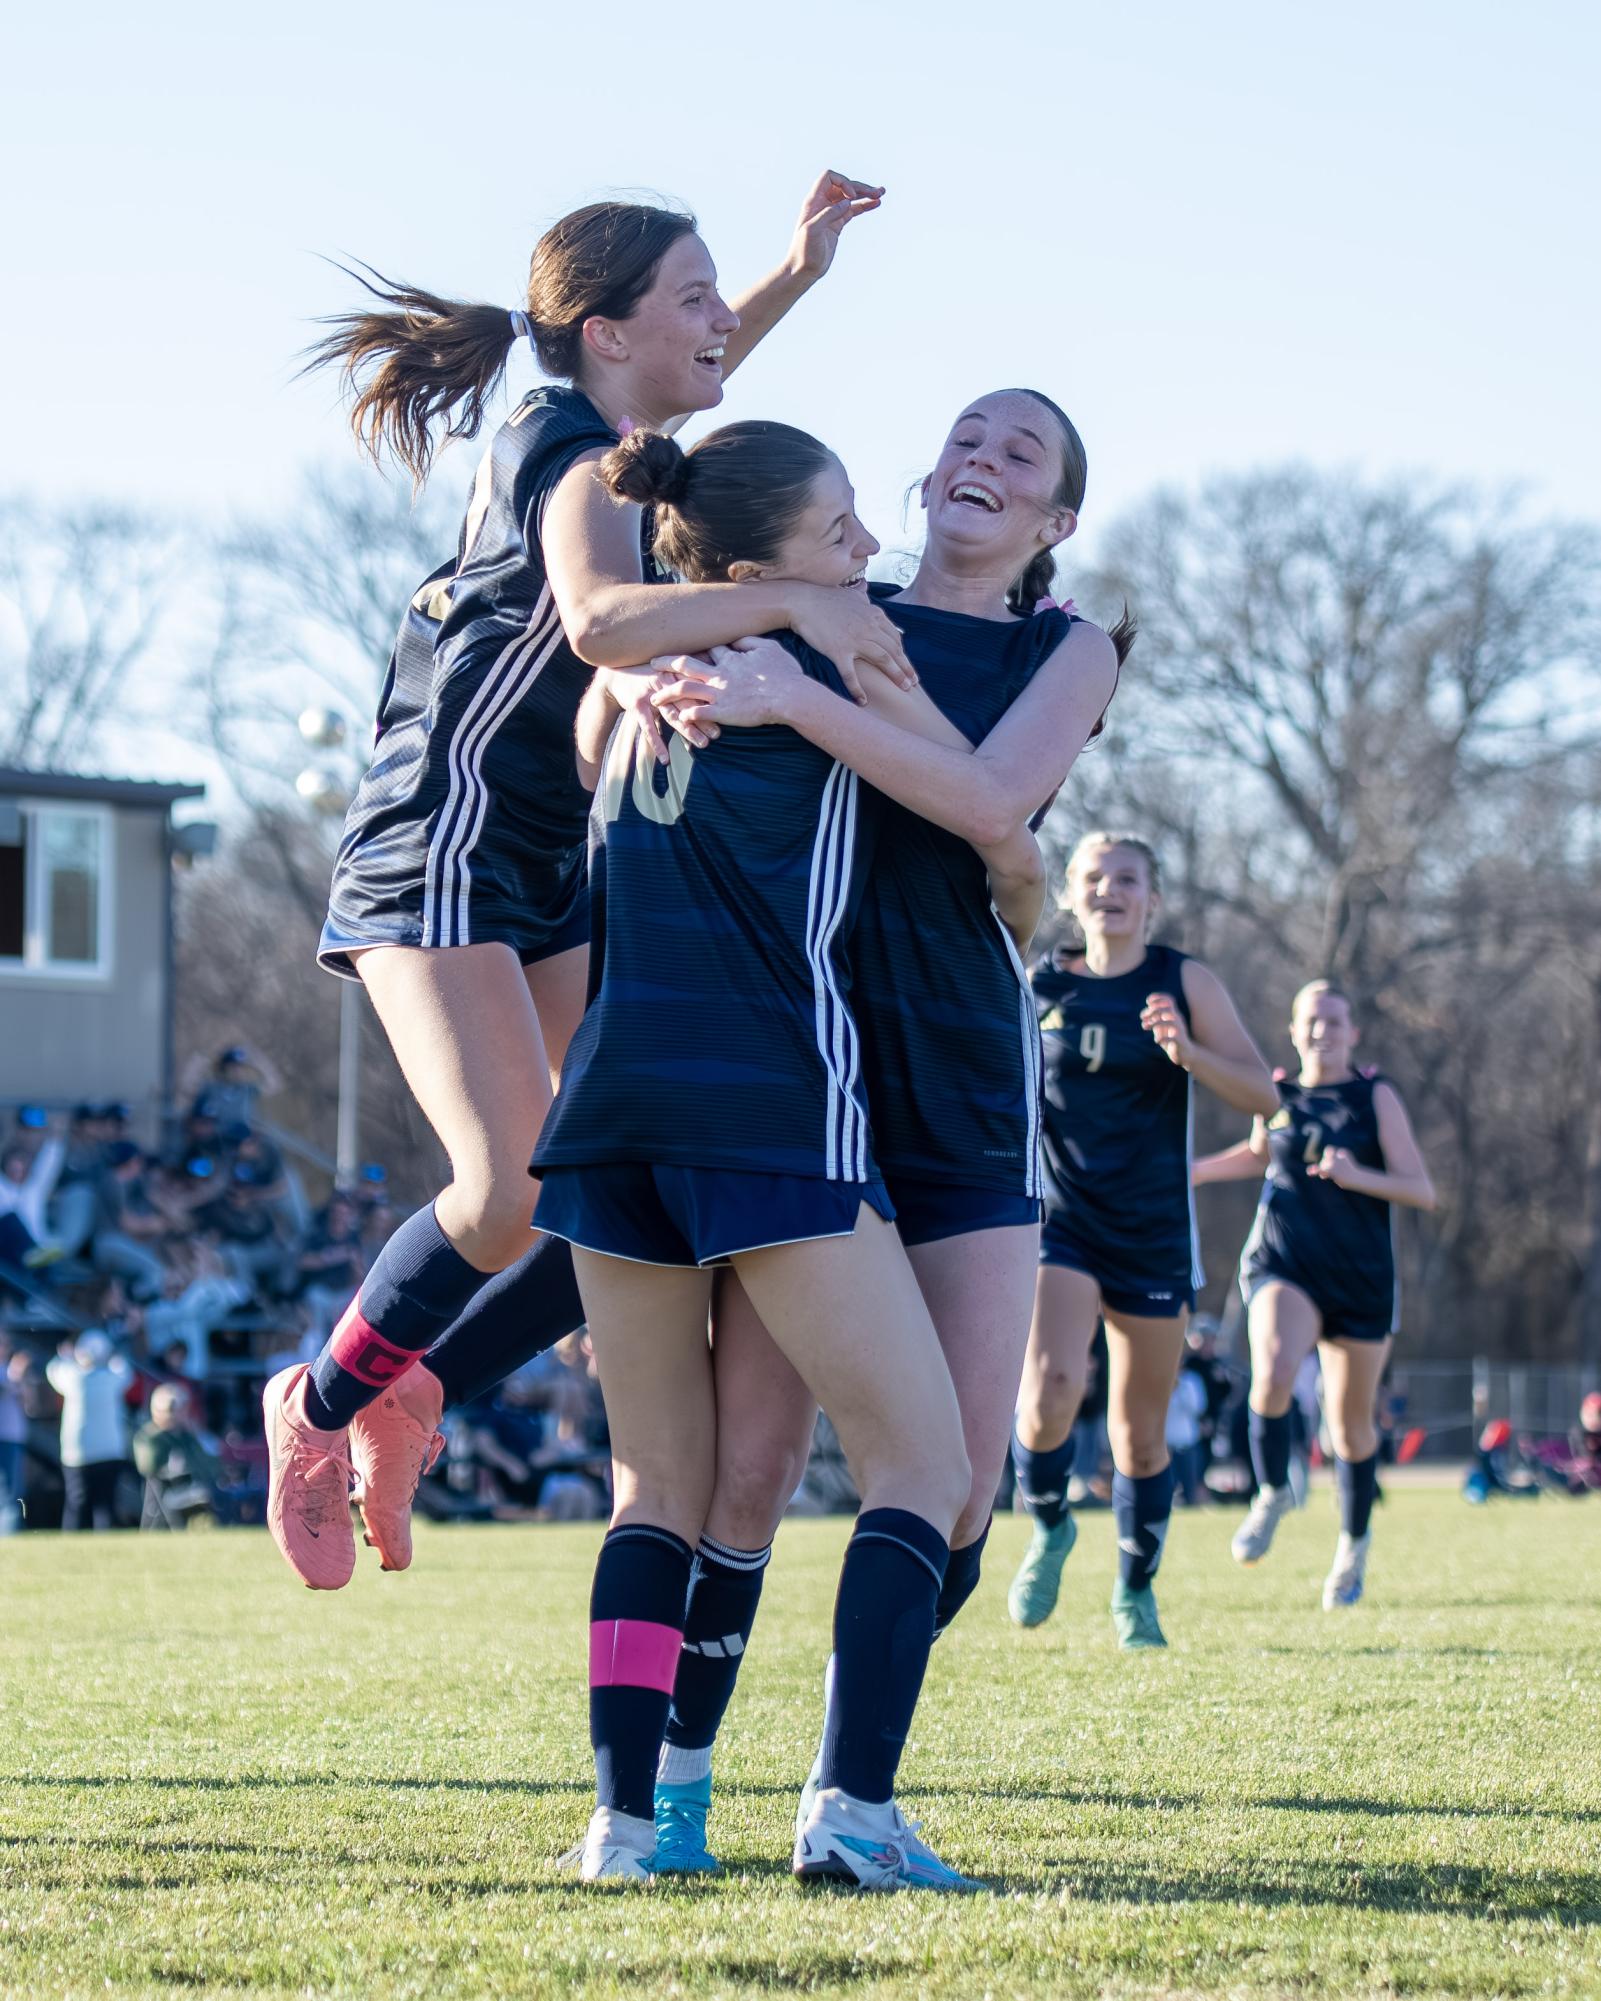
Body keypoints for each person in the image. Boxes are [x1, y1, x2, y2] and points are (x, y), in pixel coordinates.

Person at [263, 176, 910, 1591]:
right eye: (693, 296)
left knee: (617, 1176)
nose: (718, 320)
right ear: (608, 333)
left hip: (543, 861)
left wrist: (797, 271)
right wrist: (799, 600)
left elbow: (708, 356)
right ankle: (317, 1404)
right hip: (440, 836)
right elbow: (605, 621)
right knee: (502, 1190)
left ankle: (418, 1388)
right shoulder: (566, 450)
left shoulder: (614, 424)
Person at [533, 413, 1115, 1888]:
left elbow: (1000, 814)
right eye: (965, 432)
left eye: (1026, 451)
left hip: (946, 1080)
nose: (986, 452)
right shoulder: (813, 607)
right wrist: (775, 646)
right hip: (795, 1080)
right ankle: (691, 1793)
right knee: (740, 1474)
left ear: (1054, 519)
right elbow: (618, 636)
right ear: (910, 486)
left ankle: (818, 1777)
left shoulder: (1021, 644)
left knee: (957, 1487)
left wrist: (1019, 868)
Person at [1008, 835, 1278, 1647]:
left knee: (1138, 1430)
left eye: (1127, 879)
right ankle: (1051, 1524)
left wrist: (1187, 1053)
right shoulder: (1039, 980)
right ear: (1071, 894)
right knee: (1050, 1385)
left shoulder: (1181, 979)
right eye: (1093, 878)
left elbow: (1266, 1092)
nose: (1109, 891)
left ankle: (1134, 1590)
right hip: (1063, 1219)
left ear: (1151, 899)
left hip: (1155, 1226)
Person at [1194, 979, 1436, 1607]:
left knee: (1348, 1428)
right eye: (1311, 1020)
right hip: (1286, 1262)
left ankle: (1353, 1548)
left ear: (1353, 1033)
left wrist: (1359, 1176)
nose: (1322, 1030)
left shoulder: (1372, 1096)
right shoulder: (1274, 1093)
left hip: (1360, 1278)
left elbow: (1421, 1189)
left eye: (1334, 1021)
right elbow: (1255, 1156)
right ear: (1294, 1030)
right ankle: (1273, 1490)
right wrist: (1188, 1170)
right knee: (1271, 1369)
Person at [46, 1332, 133, 1531]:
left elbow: (53, 1368)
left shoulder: (72, 1377)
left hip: (78, 1453)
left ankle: (71, 1542)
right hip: (110, 1450)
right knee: (105, 1504)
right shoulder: (112, 1378)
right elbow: (124, 1368)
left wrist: (65, 1355)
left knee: (77, 1502)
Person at [133, 1384, 222, 1529]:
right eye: (174, 1409)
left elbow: (209, 1463)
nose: (179, 1414)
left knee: (220, 1493)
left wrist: (193, 1432)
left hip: (195, 1484)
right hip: (167, 1490)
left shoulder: (186, 1435)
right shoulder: (149, 1436)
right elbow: (147, 1466)